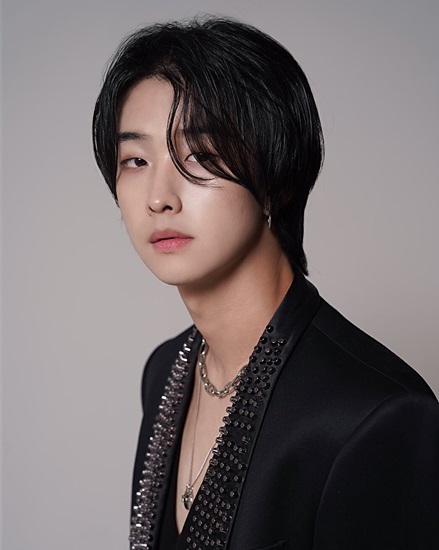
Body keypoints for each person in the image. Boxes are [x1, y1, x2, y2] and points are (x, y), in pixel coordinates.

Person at [93, 16, 439, 550]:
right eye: (136, 160)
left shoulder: (378, 416)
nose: (159, 197)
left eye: (201, 157)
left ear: (277, 177)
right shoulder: (165, 373)